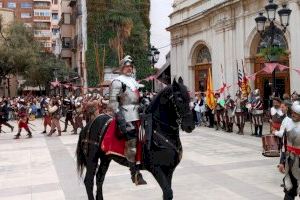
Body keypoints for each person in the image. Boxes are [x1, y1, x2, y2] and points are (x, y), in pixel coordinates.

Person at [108, 55, 147, 185]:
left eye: (130, 66)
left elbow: (138, 99)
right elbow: (113, 103)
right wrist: (120, 118)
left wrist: (144, 103)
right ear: (121, 68)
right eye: (126, 66)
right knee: (132, 142)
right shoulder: (117, 81)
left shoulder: (134, 82)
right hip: (126, 116)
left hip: (138, 115)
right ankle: (134, 174)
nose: (129, 68)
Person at [281, 101, 300, 199]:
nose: (293, 114)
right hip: (290, 161)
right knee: (289, 190)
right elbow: (284, 146)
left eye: (296, 113)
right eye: (292, 112)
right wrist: (282, 162)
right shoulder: (288, 125)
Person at [272, 102, 291, 174]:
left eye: (283, 107)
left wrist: (275, 132)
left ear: (287, 108)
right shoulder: (287, 118)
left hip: (287, 144)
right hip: (290, 144)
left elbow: (282, 133)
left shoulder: (287, 119)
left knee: (287, 163)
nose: (281, 109)